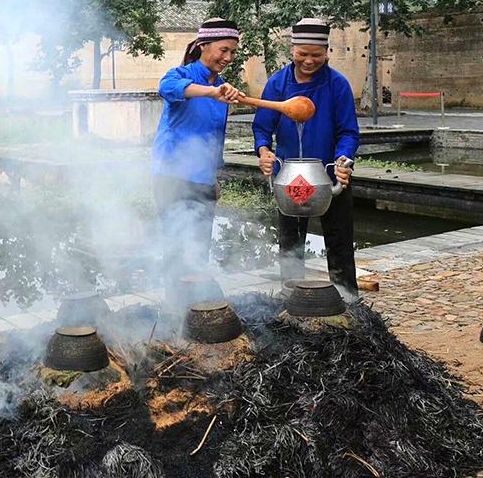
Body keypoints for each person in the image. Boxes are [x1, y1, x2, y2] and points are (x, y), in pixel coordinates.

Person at [252, 18, 360, 296]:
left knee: (339, 243)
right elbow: (263, 127)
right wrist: (264, 152)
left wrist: (343, 160)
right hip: (291, 177)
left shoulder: (337, 85)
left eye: (316, 55)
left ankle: (347, 302)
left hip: (330, 174)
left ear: (326, 53)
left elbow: (348, 132)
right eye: (303, 54)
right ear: (292, 50)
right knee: (290, 244)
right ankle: (293, 298)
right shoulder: (278, 84)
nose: (309, 61)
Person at [151, 18, 244, 292]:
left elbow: (215, 138)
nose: (228, 57)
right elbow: (167, 89)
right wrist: (212, 92)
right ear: (203, 46)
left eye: (233, 52)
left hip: (203, 178)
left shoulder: (224, 88)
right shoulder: (179, 74)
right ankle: (172, 308)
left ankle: (196, 310)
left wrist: (214, 176)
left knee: (199, 245)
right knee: (175, 245)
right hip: (172, 176)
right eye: (223, 50)